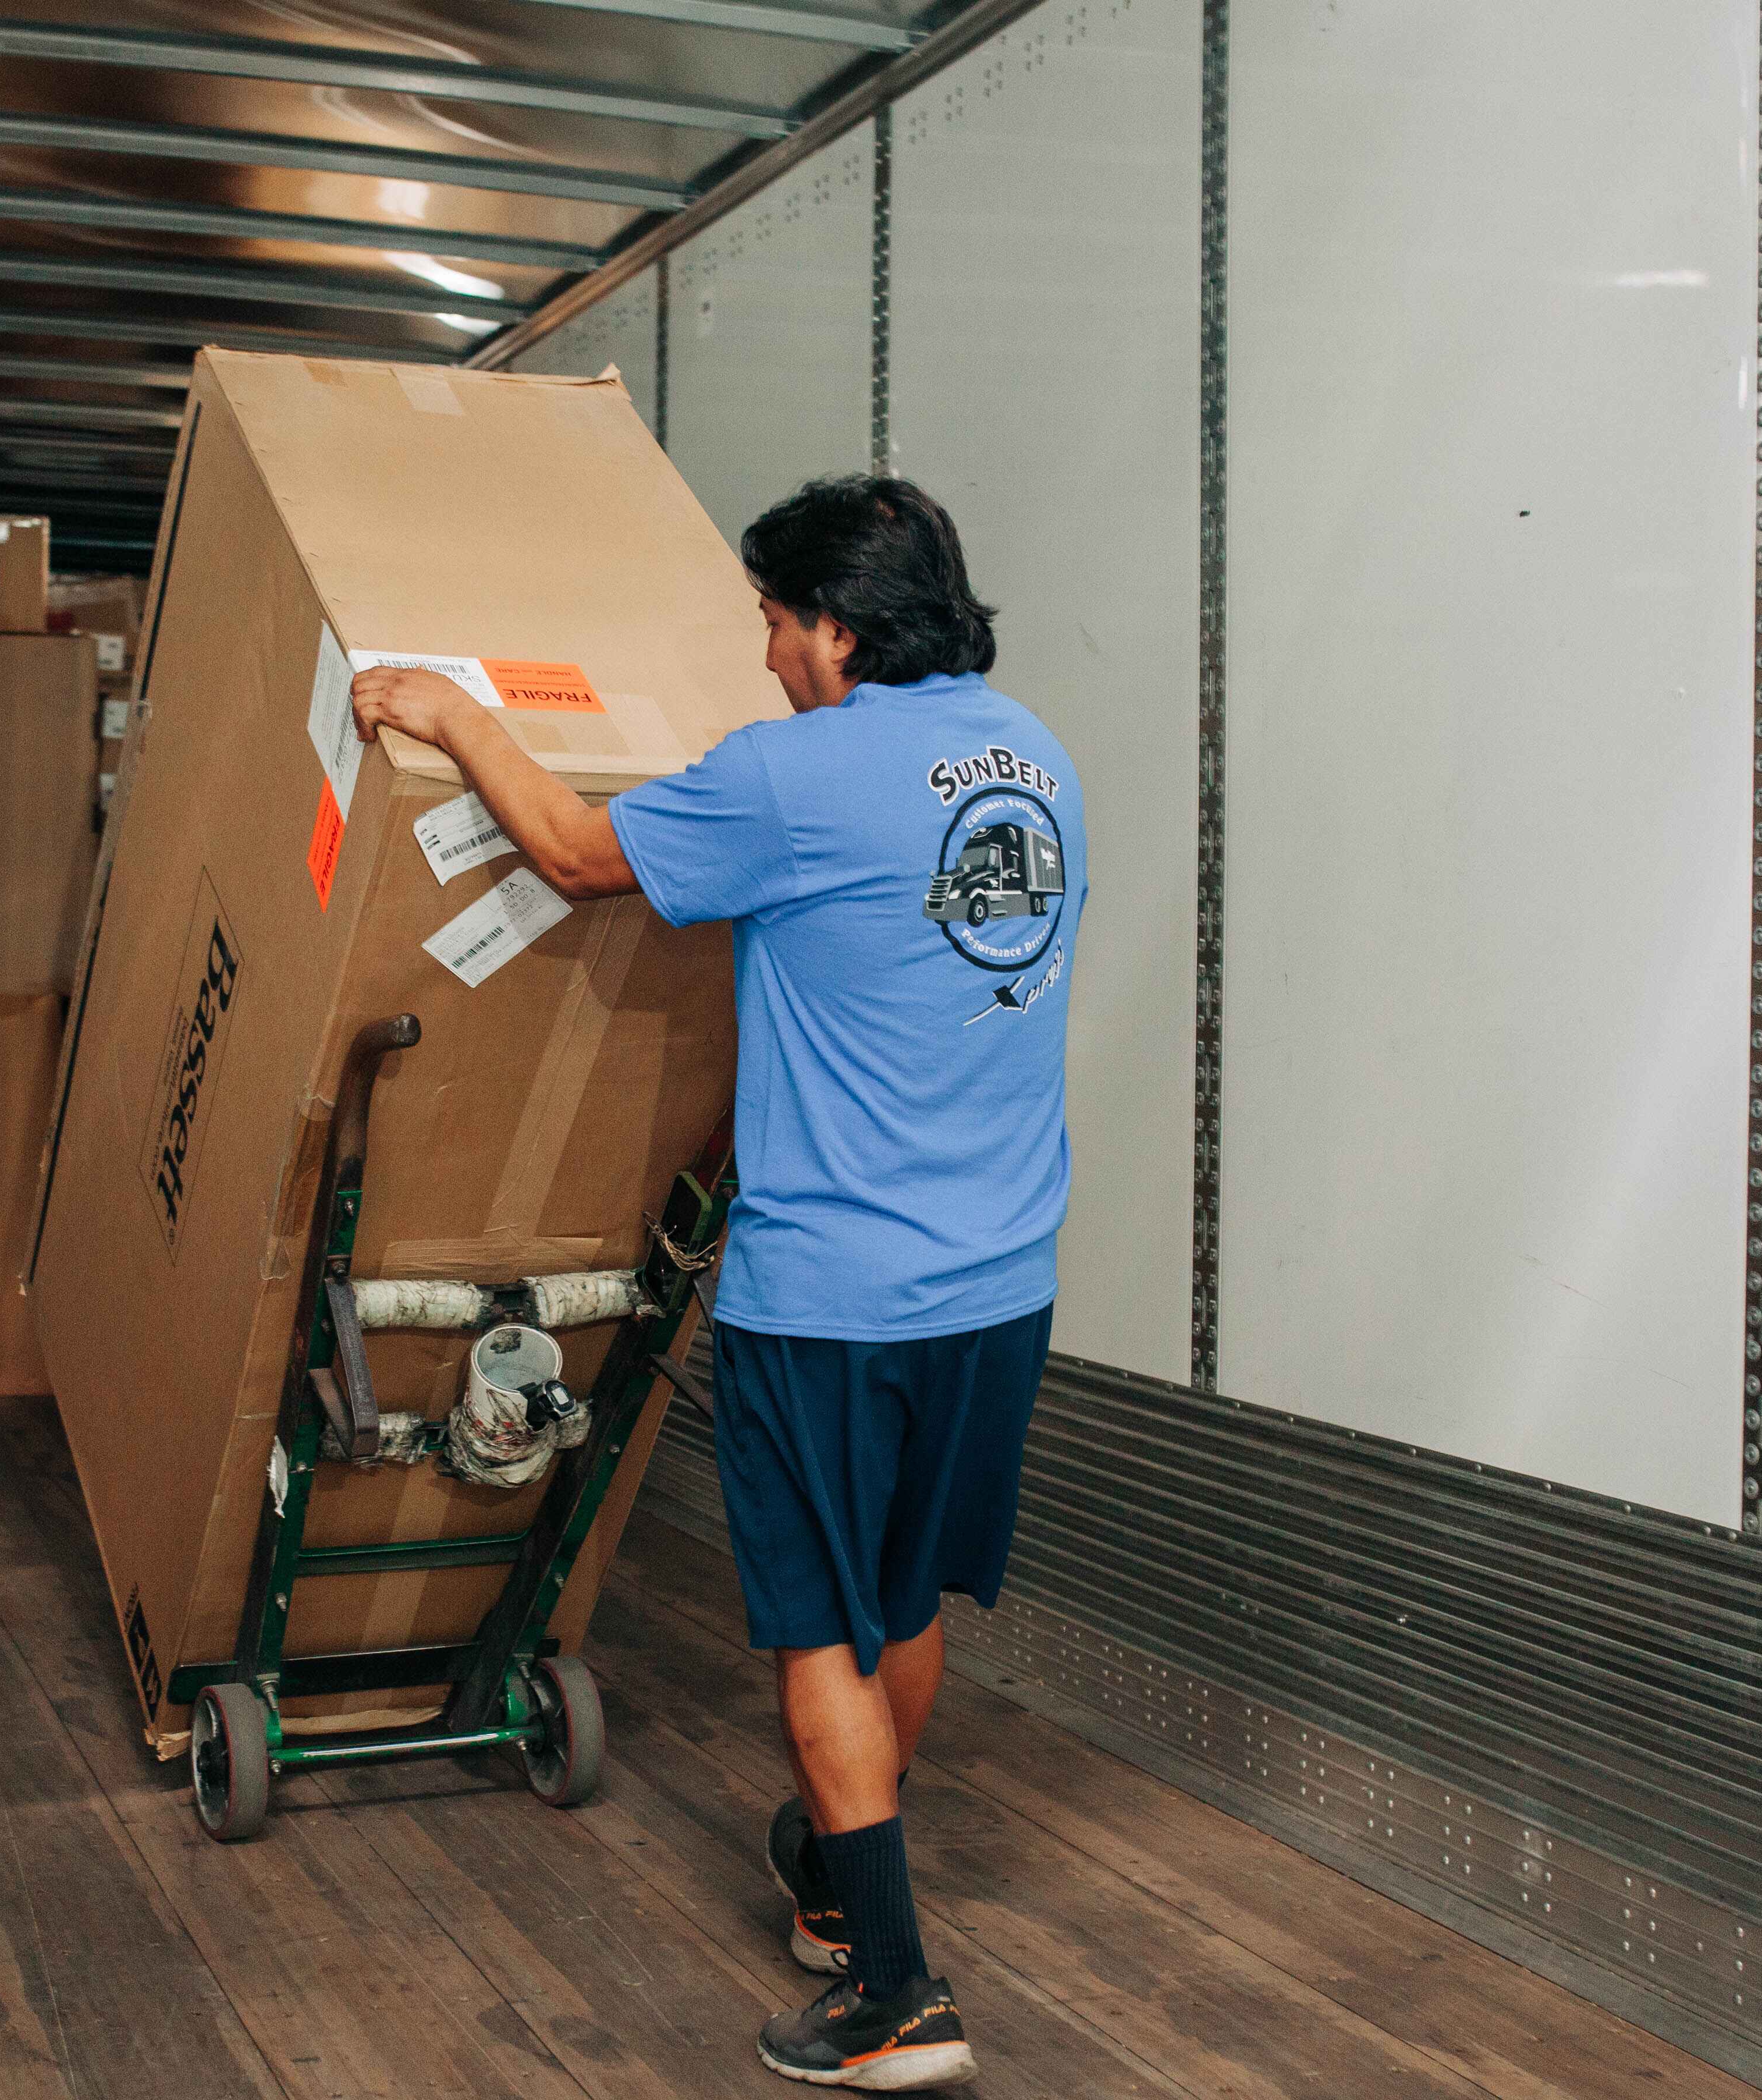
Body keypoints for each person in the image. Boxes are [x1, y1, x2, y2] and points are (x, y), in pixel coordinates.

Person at [351, 475, 1078, 2091]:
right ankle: (835, 1883)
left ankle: (893, 1997)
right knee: (900, 1598)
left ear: (833, 625)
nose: (758, 653)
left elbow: (568, 851)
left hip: (830, 1291)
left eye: (767, 619)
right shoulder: (1034, 756)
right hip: (997, 1276)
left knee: (816, 1626)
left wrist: (451, 711)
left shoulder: (798, 774)